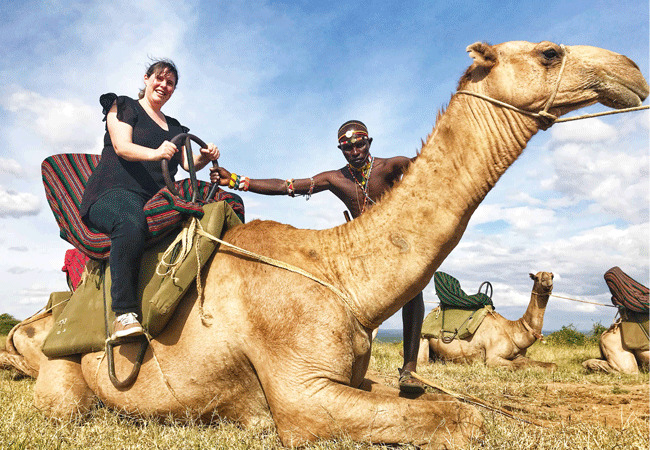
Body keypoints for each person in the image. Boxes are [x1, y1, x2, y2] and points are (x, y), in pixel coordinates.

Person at [210, 120, 426, 393]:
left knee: (414, 288)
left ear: (369, 143)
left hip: (394, 246)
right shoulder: (337, 179)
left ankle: (409, 369)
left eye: (360, 144)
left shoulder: (391, 167)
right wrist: (237, 181)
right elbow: (288, 186)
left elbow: (431, 163)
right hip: (361, 254)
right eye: (348, 148)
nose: (355, 151)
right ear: (341, 150)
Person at [79, 59, 220, 341]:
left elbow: (187, 162)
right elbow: (122, 147)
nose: (163, 86)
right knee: (130, 221)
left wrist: (205, 157)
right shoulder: (123, 106)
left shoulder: (175, 126)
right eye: (159, 79)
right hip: (112, 193)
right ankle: (124, 315)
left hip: (153, 198)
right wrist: (156, 153)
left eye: (170, 83)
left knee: (211, 209)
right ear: (146, 79)